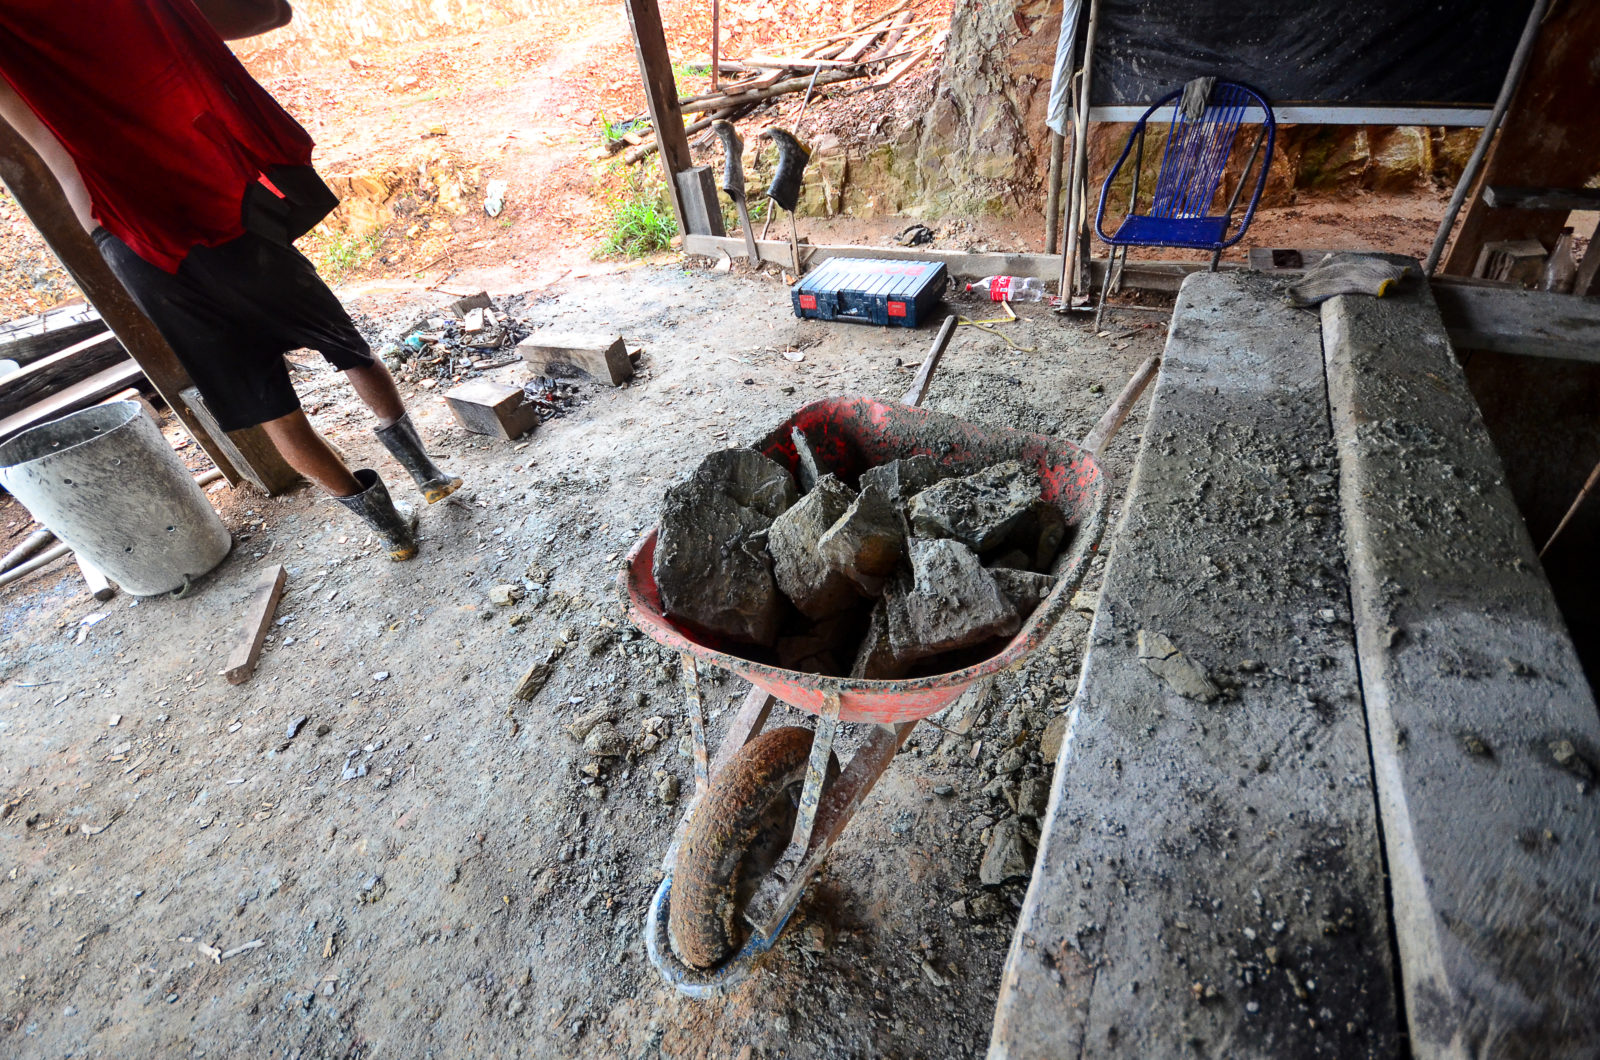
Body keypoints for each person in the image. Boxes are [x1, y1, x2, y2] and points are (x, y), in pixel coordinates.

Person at [0, 0, 460, 561]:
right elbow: (270, 13)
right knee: (345, 346)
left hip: (130, 243)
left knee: (264, 403)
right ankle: (425, 471)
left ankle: (391, 533)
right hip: (216, 208)